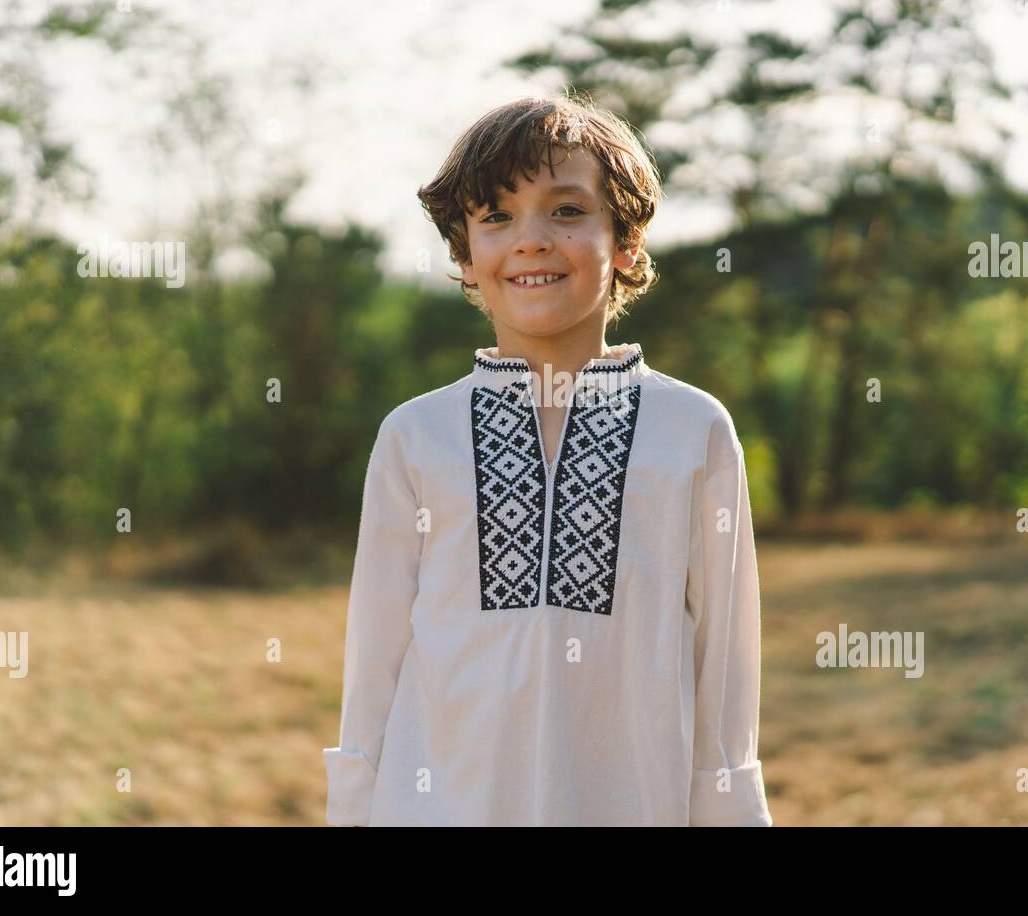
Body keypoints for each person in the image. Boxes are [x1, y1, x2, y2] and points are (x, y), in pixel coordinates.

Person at [322, 93, 772, 826]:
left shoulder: (693, 433)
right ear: (466, 256)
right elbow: (375, 663)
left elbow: (723, 668)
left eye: (566, 211)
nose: (529, 240)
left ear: (626, 241)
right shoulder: (414, 437)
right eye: (496, 216)